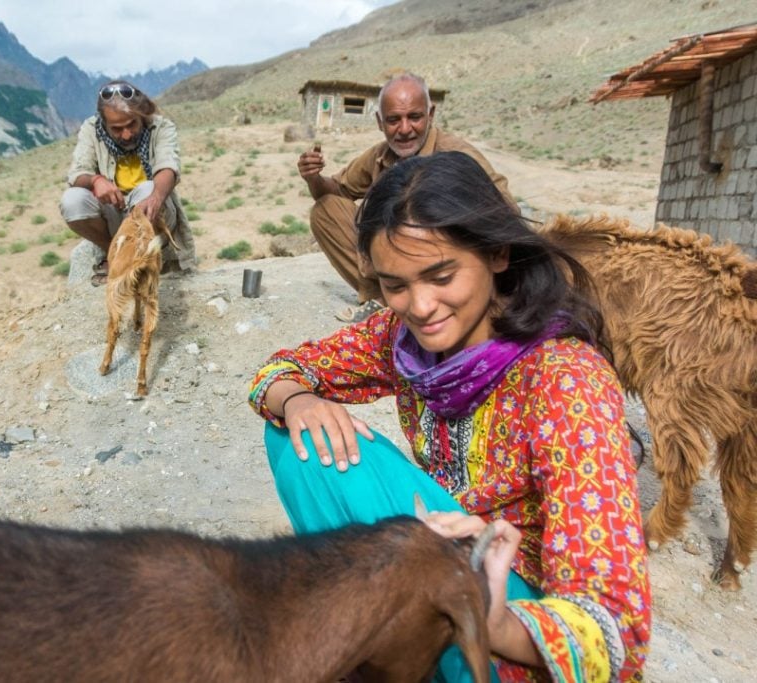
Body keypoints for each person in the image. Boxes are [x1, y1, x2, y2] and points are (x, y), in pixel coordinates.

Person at [249, 151, 651, 682]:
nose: (420, 305)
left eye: (441, 275)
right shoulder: (403, 339)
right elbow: (277, 372)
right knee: (297, 437)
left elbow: (617, 633)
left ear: (497, 253)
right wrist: (299, 401)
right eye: (396, 285)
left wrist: (496, 620)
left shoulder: (566, 379)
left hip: (512, 610)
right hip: (442, 551)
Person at [297, 73, 514, 322]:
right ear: (380, 122)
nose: (404, 129)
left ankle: (435, 303)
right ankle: (385, 300)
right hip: (397, 265)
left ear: (430, 115)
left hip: (440, 265)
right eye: (393, 120)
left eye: (414, 117)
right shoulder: (381, 155)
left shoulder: (456, 155)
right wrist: (313, 178)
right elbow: (336, 190)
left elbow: (506, 212)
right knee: (327, 209)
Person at [60, 80, 195, 286]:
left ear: (141, 115)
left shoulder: (161, 127)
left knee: (147, 188)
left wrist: (156, 197)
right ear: (104, 123)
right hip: (114, 212)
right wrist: (96, 180)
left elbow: (168, 166)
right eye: (117, 129)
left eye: (131, 124)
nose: (126, 134)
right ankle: (113, 253)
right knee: (72, 200)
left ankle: (139, 261)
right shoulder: (91, 129)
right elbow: (77, 173)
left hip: (152, 214)